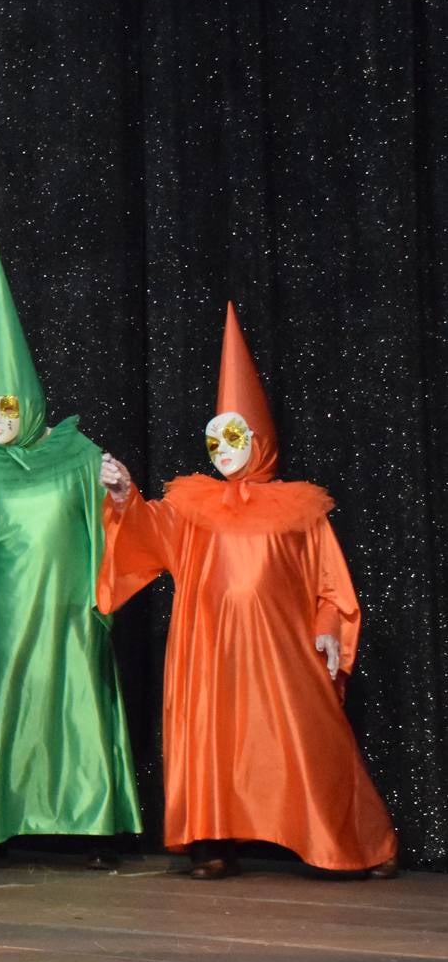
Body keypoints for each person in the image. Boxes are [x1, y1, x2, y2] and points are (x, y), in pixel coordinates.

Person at [98, 304, 396, 880]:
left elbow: (331, 584)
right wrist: (124, 495)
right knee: (216, 737)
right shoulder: (193, 508)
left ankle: (350, 842)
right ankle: (213, 839)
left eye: (234, 436)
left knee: (308, 739)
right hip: (210, 649)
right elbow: (147, 535)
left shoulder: (300, 511)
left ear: (258, 438)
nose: (223, 449)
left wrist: (329, 630)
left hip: (282, 650)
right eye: (214, 439)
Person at [0, 249, 139, 860]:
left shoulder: (77, 455)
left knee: (74, 707)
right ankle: (0, 820)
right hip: (4, 617)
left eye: (8, 407)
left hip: (69, 610)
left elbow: (115, 526)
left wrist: (121, 497)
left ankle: (91, 823)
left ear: (32, 401)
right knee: (4, 709)